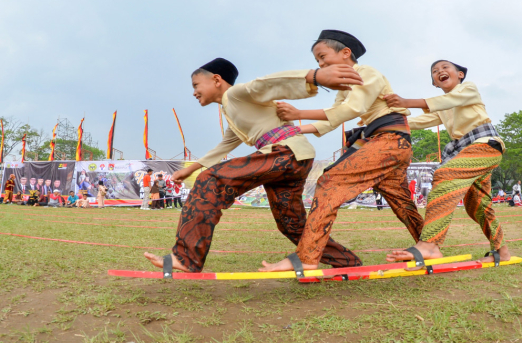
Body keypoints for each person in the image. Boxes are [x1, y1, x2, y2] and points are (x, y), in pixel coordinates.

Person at [143, 56, 363, 274]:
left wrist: (314, 76)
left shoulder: (236, 94)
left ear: (217, 80)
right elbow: (225, 145)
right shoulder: (232, 112)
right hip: (296, 158)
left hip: (285, 153)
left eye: (196, 85)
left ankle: (186, 257)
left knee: (210, 180)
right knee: (291, 224)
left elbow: (266, 84)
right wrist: (190, 169)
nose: (194, 92)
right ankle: (347, 262)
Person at [261, 30, 424, 273]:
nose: (320, 63)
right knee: (399, 198)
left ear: (346, 53)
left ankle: (307, 257)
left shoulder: (366, 73)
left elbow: (352, 109)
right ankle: (428, 244)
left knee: (329, 182)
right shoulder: (343, 88)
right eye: (317, 61)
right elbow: (332, 119)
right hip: (386, 142)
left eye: (323, 56)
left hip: (388, 140)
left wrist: (299, 114)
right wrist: (292, 131)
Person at [382, 59, 511, 267]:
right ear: (435, 82)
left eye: (445, 68)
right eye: (434, 71)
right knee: (477, 205)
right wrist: (383, 123)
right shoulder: (442, 106)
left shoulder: (468, 89)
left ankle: (430, 245)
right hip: (465, 151)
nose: (439, 71)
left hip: (485, 145)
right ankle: (502, 251)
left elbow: (449, 101)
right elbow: (417, 121)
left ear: (460, 74)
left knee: (444, 174)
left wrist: (406, 102)